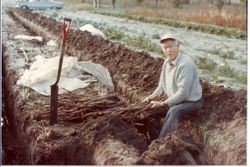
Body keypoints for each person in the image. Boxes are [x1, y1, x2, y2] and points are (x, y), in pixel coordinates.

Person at [142, 33, 203, 138]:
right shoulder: (166, 62)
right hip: (177, 101)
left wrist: (163, 103)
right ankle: (156, 139)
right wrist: (149, 98)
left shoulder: (185, 64)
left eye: (171, 47)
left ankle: (162, 143)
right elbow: (161, 85)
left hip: (192, 102)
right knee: (149, 112)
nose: (168, 50)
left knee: (173, 111)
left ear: (178, 47)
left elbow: (183, 93)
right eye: (165, 48)